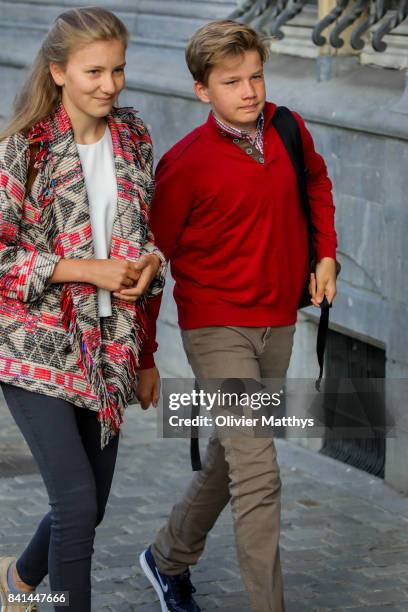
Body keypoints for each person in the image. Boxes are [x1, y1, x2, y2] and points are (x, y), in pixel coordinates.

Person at [139, 19, 338, 612]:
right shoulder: (185, 165)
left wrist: (326, 253)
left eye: (256, 76)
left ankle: (166, 556)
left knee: (233, 459)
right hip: (216, 327)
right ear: (203, 90)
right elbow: (152, 265)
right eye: (232, 82)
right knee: (259, 473)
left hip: (277, 322)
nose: (250, 91)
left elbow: (318, 184)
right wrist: (147, 356)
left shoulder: (287, 127)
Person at [0, 7, 164, 612]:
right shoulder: (25, 149)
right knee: (73, 504)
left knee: (88, 505)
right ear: (59, 72)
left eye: (117, 70)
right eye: (94, 71)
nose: (109, 85)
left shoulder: (135, 138)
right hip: (32, 347)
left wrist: (149, 268)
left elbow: (146, 242)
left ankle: (17, 582)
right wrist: (83, 269)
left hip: (110, 350)